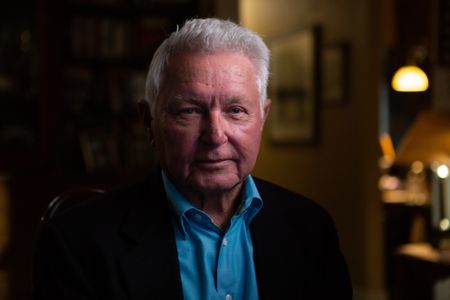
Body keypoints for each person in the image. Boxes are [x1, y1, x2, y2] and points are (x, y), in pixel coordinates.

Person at [33, 18, 352, 299]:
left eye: (236, 110)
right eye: (189, 111)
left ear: (263, 117)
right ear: (149, 122)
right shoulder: (75, 243)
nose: (215, 135)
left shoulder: (311, 228)